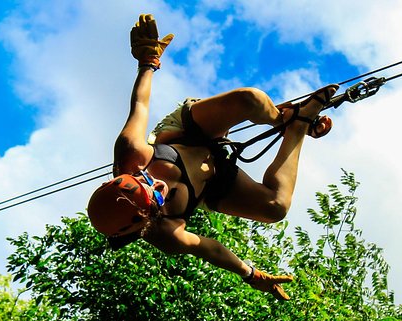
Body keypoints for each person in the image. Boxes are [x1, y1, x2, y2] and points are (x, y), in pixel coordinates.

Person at [87, 14, 339, 301]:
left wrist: (148, 62)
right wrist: (252, 274)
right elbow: (210, 249)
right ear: (146, 221)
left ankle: (282, 119)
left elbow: (140, 105)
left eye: (148, 182)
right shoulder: (168, 234)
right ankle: (299, 125)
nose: (159, 186)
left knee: (251, 100)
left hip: (187, 133)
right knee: (275, 208)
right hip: (212, 180)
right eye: (157, 197)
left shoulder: (131, 153)